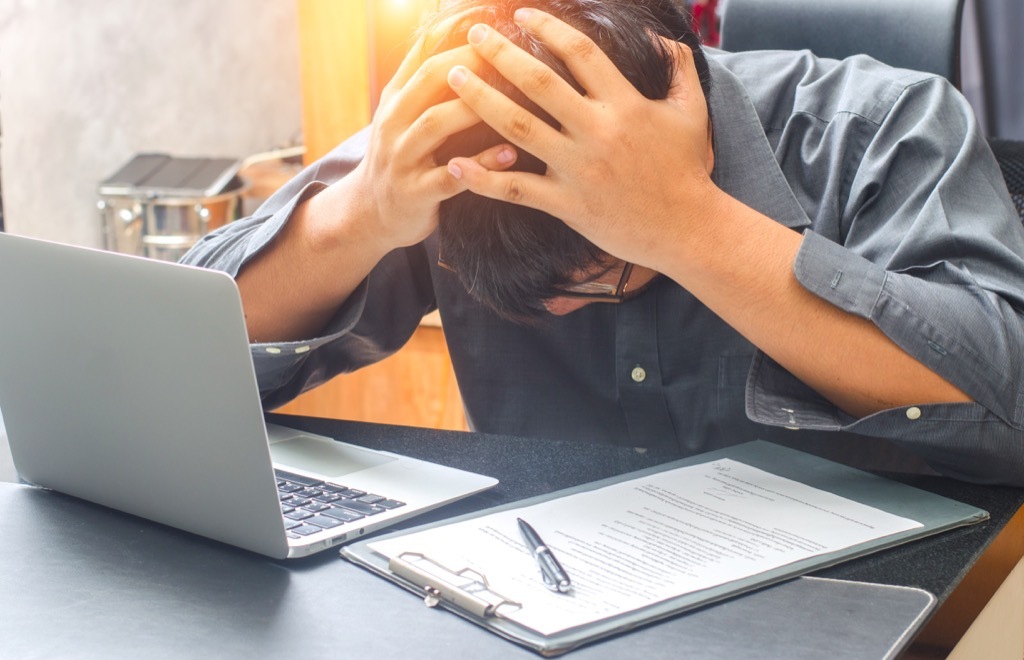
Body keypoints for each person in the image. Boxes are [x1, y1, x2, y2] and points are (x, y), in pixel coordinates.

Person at [182, 0, 1024, 485]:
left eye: (590, 280)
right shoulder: (460, 137)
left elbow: (1005, 399)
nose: (551, 308)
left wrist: (686, 224)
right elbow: (178, 352)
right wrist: (362, 212)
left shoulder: (884, 127)